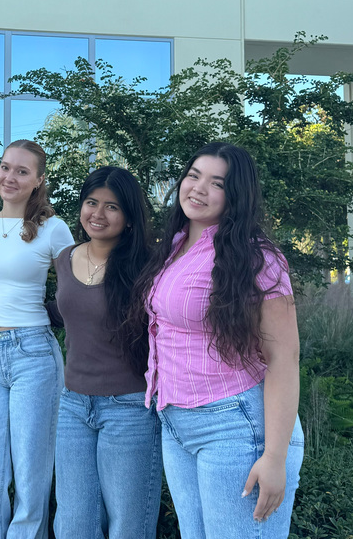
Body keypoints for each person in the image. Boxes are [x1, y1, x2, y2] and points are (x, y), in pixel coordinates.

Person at [129, 141, 304, 539]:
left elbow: (284, 356)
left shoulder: (257, 257)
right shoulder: (173, 247)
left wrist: (274, 457)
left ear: (236, 195)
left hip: (236, 426)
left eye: (217, 183)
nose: (198, 188)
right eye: (193, 175)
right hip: (175, 421)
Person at [0, 139, 74, 539]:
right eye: (6, 167)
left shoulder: (53, 228)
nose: (10, 177)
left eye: (22, 171)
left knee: (31, 473)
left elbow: (77, 289)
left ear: (39, 180)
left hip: (34, 354)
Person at [48, 166, 161, 539]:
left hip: (128, 407)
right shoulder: (64, 259)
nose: (98, 214)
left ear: (129, 217)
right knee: (73, 524)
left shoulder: (148, 265)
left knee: (128, 525)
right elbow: (68, 312)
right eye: (91, 202)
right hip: (74, 405)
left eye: (112, 207)